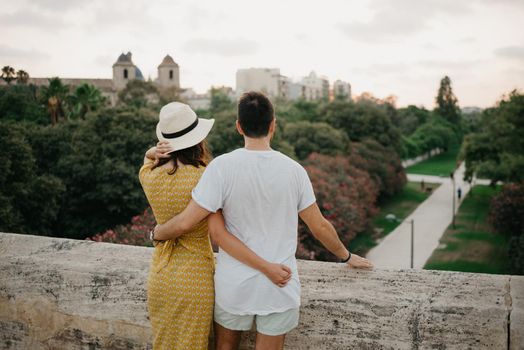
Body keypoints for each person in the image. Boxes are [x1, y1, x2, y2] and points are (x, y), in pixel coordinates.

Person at [153, 92, 373, 350]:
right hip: (279, 286)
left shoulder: (221, 168)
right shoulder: (294, 171)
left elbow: (186, 224)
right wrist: (346, 256)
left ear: (238, 126)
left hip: (233, 287)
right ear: (273, 126)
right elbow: (319, 226)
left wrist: (156, 233)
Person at [140, 102, 291, 350]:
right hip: (194, 275)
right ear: (197, 138)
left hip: (160, 275)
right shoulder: (205, 175)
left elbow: (147, 159)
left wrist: (154, 151)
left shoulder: (147, 175)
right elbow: (218, 228)